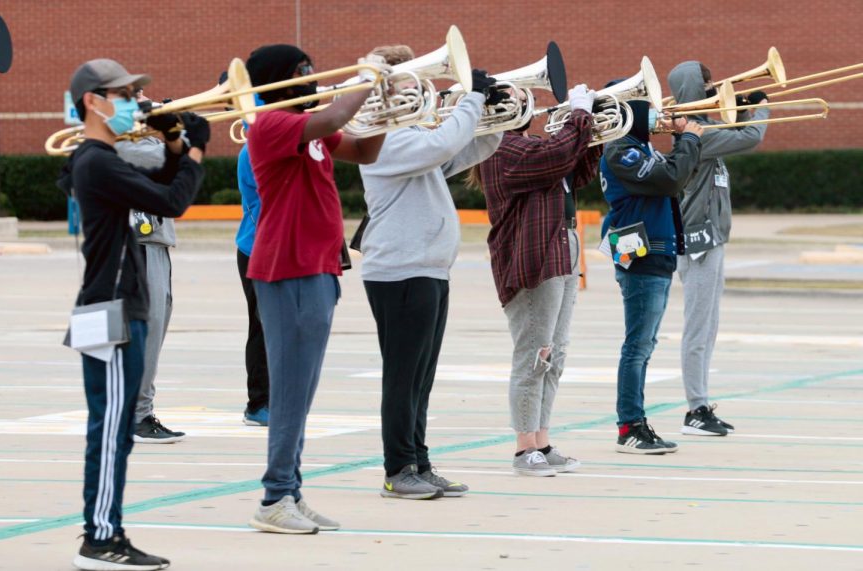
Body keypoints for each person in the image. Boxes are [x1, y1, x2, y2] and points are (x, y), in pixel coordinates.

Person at [58, 58, 207, 570]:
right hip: (114, 309)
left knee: (115, 429)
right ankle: (100, 538)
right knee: (112, 430)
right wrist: (193, 153)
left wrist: (171, 147)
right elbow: (171, 200)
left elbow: (156, 185)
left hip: (113, 306)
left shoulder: (100, 157)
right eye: (120, 95)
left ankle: (108, 532)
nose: (130, 103)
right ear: (92, 103)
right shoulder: (97, 160)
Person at [245, 44, 386, 533]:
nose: (316, 76)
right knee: (288, 391)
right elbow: (336, 115)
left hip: (317, 268)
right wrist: (371, 74)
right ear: (281, 80)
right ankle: (274, 497)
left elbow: (366, 151)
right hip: (287, 267)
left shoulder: (313, 129)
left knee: (301, 391)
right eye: (305, 71)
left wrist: (388, 109)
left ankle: (290, 489)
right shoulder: (271, 124)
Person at [358, 44, 503, 499]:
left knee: (421, 376)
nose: (415, 90)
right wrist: (472, 101)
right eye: (403, 82)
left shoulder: (411, 137)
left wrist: (497, 120)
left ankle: (417, 462)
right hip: (399, 269)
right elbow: (441, 143)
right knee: (403, 377)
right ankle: (397, 469)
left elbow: (461, 151)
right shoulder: (379, 137)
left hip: (428, 268)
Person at [471, 84, 599, 476]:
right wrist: (579, 116)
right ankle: (524, 448)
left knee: (554, 356)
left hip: (560, 251)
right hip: (532, 259)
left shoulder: (533, 148)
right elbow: (557, 154)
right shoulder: (502, 149)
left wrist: (593, 132)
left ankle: (542, 441)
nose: (530, 103)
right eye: (519, 99)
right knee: (534, 356)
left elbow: (577, 170)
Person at [667, 62, 769, 436]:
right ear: (693, 88)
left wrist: (740, 109)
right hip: (699, 243)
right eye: (706, 82)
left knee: (708, 328)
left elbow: (739, 132)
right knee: (697, 328)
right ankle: (695, 408)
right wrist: (761, 106)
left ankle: (701, 403)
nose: (714, 86)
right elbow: (750, 137)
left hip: (713, 239)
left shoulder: (705, 130)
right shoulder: (698, 136)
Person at [599, 92, 703, 454]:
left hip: (654, 254)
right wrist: (688, 138)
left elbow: (677, 176)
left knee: (644, 345)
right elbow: (670, 180)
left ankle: (635, 422)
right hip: (641, 255)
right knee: (637, 346)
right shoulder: (621, 150)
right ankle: (629, 425)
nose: (658, 114)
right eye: (650, 108)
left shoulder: (638, 149)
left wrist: (681, 140)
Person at [116, 89, 186, 444]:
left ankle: (133, 411)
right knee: (146, 329)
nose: (148, 100)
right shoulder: (122, 142)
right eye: (137, 98)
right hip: (138, 247)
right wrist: (169, 125)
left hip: (151, 246)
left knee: (151, 329)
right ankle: (136, 416)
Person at [235, 119, 270, 426]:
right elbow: (266, 205)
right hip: (258, 248)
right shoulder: (253, 151)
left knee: (281, 329)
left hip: (274, 248)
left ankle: (274, 401)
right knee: (263, 328)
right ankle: (258, 404)